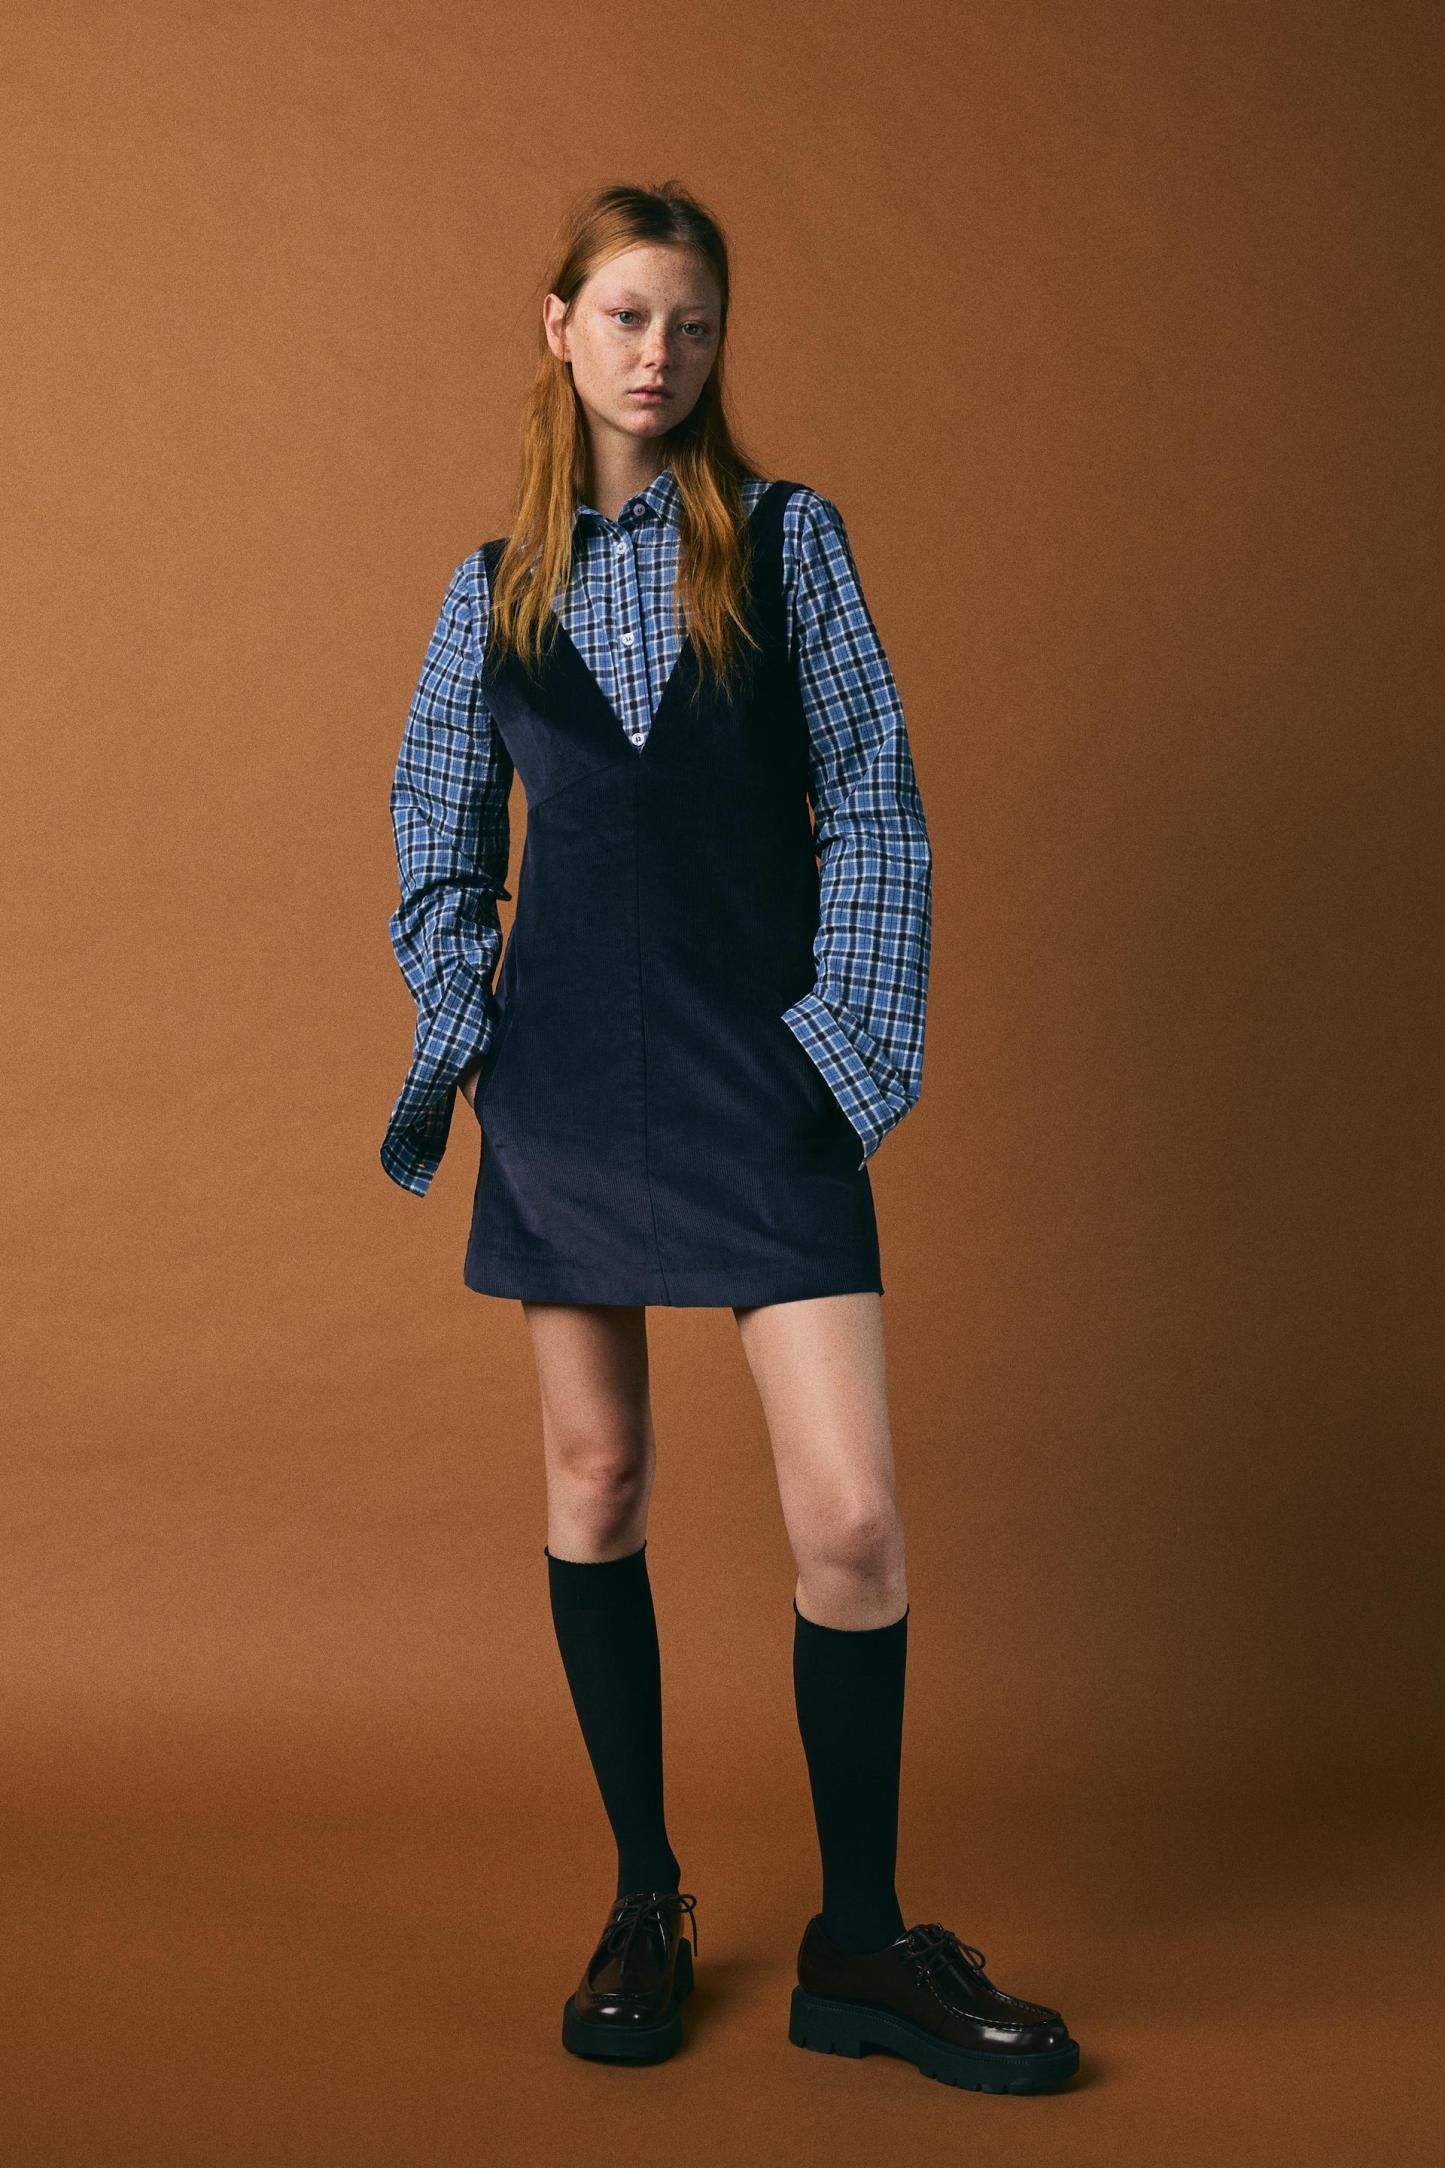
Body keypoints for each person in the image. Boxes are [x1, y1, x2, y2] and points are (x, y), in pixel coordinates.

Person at [379, 180, 1079, 2095]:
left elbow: (874, 800)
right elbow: (435, 830)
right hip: (566, 1091)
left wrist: (838, 1057)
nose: (658, 355)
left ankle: (860, 1940)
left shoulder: (787, 543)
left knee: (848, 1519)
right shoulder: (489, 591)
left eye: (690, 324)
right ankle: (645, 1897)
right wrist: (471, 1029)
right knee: (598, 1483)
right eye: (625, 317)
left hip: (755, 1079)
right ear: (558, 329)